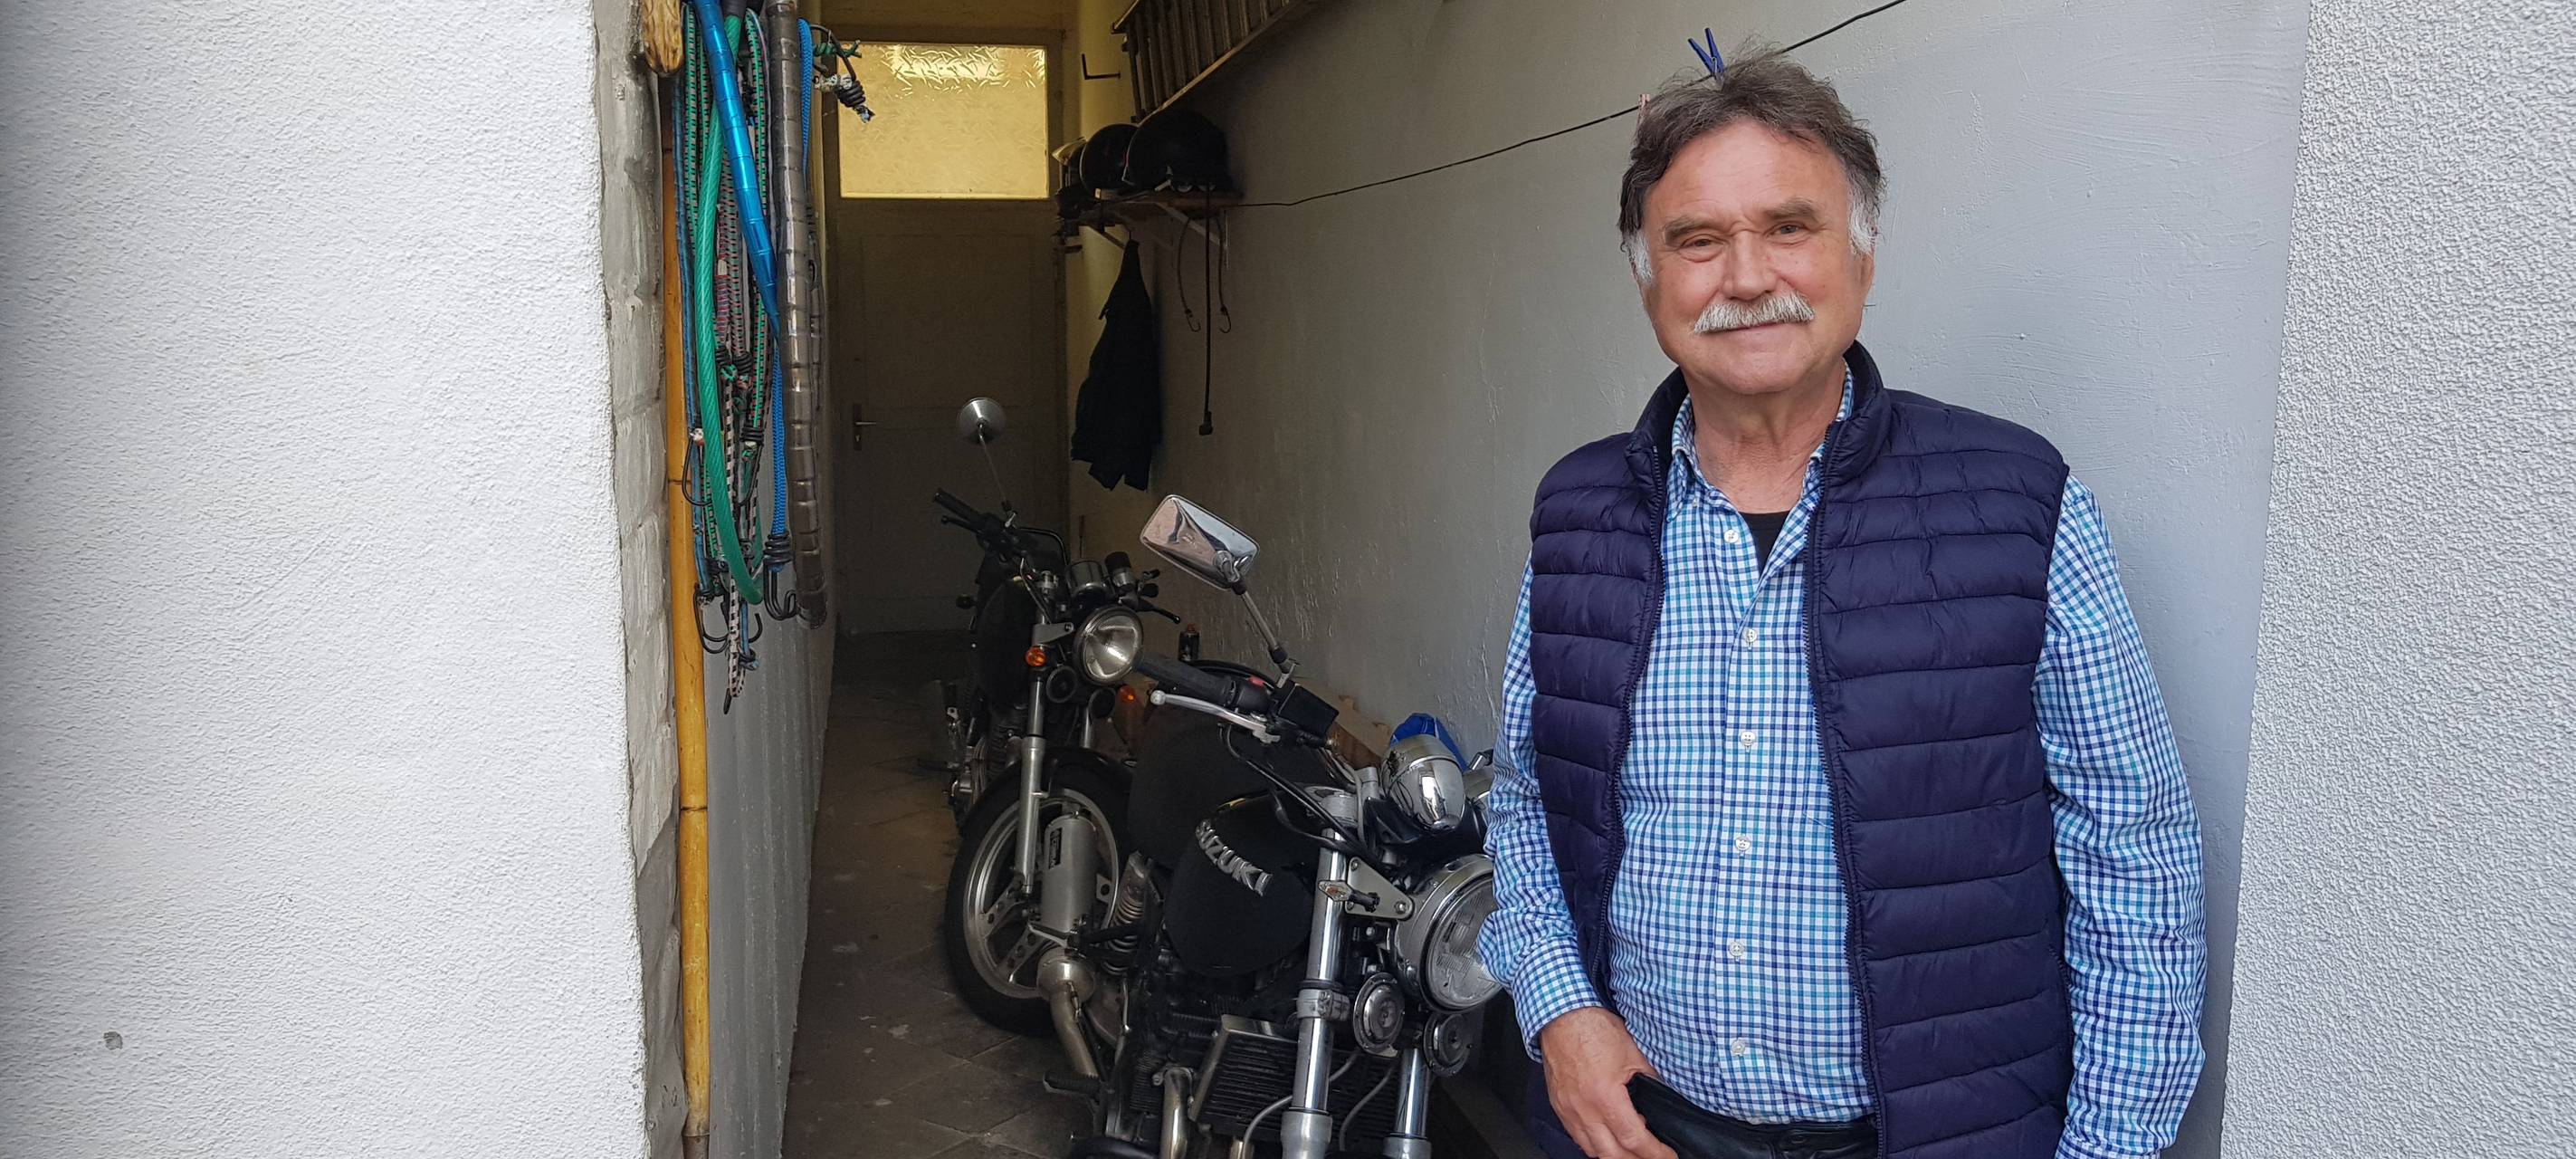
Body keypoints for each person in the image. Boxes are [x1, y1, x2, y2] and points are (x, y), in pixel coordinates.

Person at [1478, 50, 2209, 1159]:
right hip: (1640, 1131)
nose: (1744, 275)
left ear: (1859, 257)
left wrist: (2109, 1147)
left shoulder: (2016, 505)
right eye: (1696, 240)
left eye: (1789, 227)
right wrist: (1558, 1007)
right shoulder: (1578, 515)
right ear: (1646, 280)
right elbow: (1528, 797)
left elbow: (2133, 850)